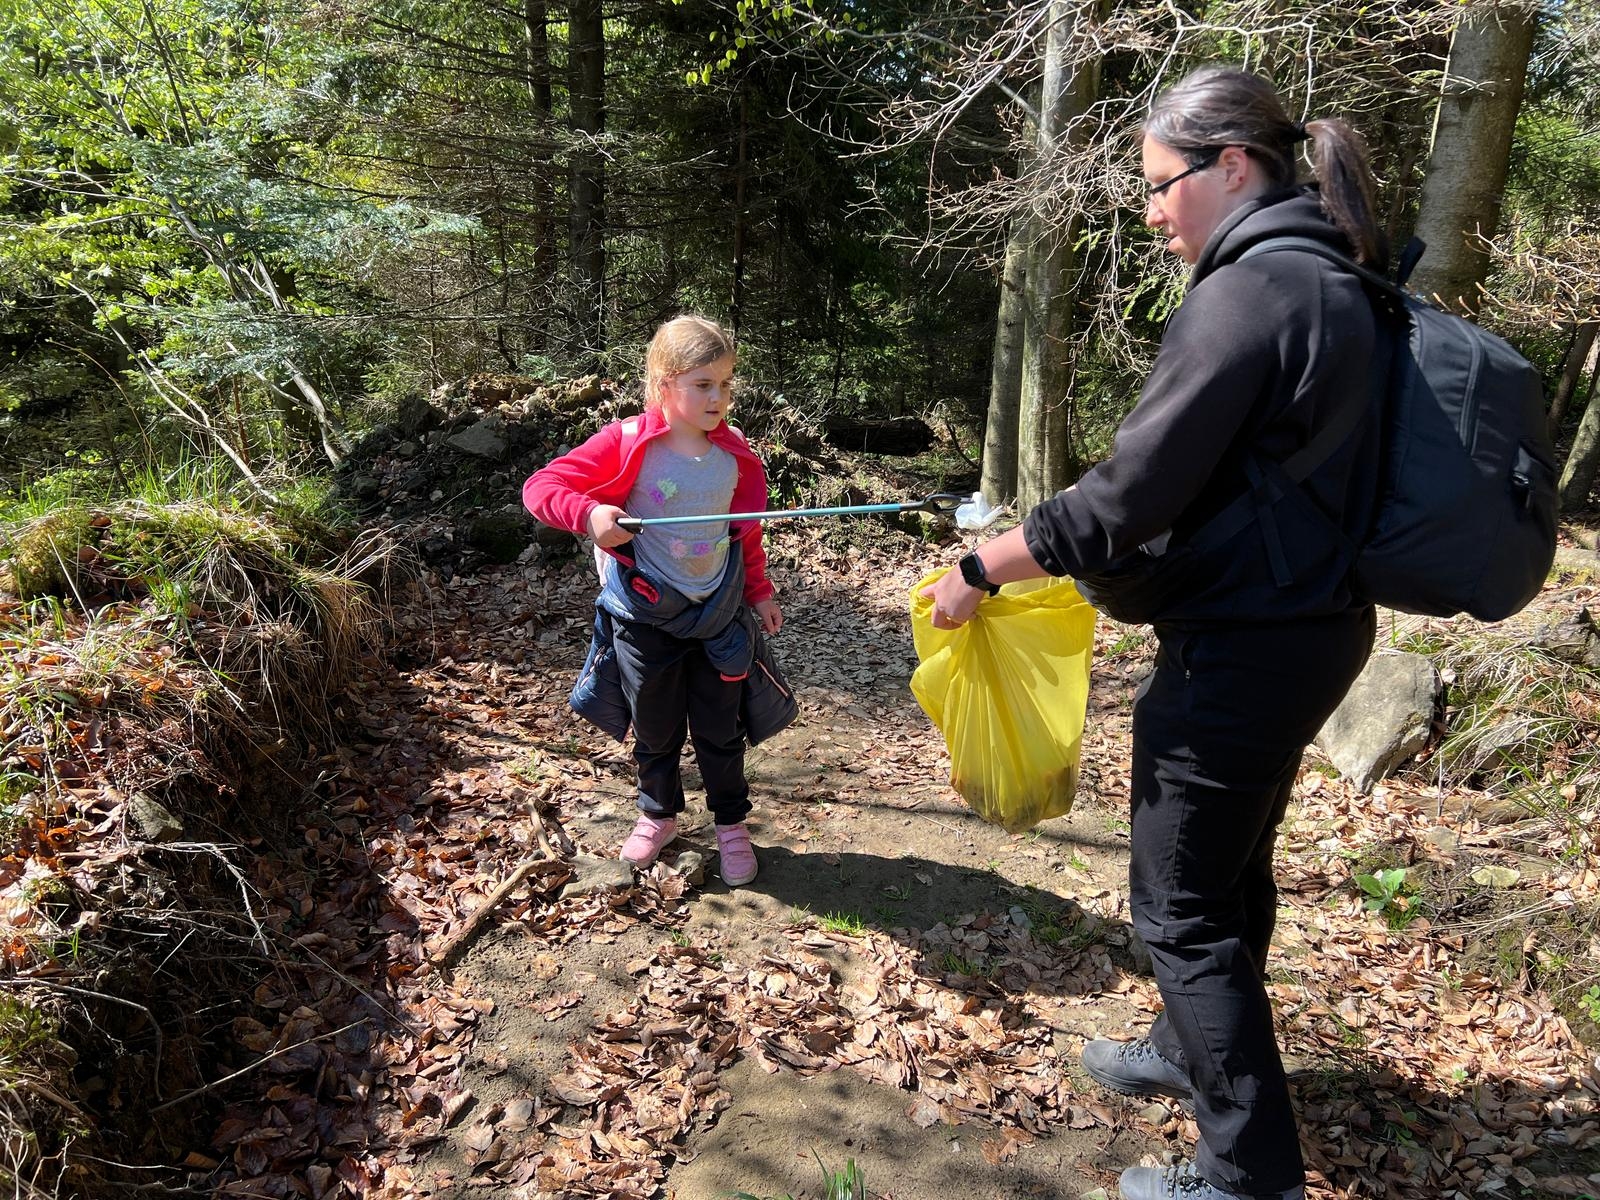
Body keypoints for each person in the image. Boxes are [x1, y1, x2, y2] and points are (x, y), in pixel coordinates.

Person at [921, 67, 1390, 1200]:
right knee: (1226, 873)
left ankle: (1246, 1172)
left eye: (1159, 184)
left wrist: (980, 567)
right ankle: (1189, 1053)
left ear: (1232, 167)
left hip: (1245, 647)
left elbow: (1124, 497)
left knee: (1179, 904)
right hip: (1310, 629)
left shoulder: (1252, 294)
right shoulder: (1334, 284)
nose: (1149, 209)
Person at [524, 314, 784, 887]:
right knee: (655, 725)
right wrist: (590, 515)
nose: (719, 397)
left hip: (718, 614)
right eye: (703, 384)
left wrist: (758, 591)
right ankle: (658, 814)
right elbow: (541, 488)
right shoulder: (624, 443)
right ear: (665, 383)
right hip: (644, 616)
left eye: (725, 383)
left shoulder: (734, 453)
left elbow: (747, 531)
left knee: (721, 729)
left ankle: (731, 825)